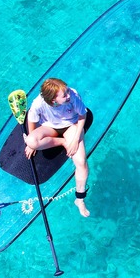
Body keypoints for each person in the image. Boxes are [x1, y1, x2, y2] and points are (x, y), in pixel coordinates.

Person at [23, 77, 91, 217]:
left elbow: (82, 115)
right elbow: (31, 119)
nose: (68, 95)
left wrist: (76, 139)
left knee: (81, 162)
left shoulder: (73, 95)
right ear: (53, 100)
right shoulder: (38, 103)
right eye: (64, 95)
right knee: (30, 141)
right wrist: (32, 142)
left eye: (67, 91)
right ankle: (61, 142)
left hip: (71, 126)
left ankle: (79, 199)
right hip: (49, 127)